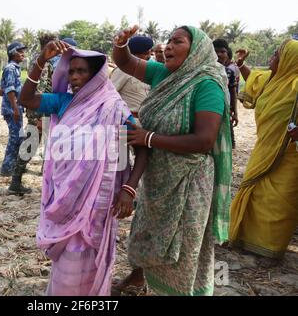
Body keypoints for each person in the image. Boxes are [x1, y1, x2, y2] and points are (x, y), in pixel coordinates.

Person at [112, 25, 232, 296]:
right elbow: (125, 62)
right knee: (150, 235)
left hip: (189, 181)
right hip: (158, 177)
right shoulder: (164, 74)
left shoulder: (207, 85)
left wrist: (149, 138)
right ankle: (142, 280)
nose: (167, 46)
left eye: (177, 42)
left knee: (183, 248)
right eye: (167, 41)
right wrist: (120, 44)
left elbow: (204, 140)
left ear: (196, 49)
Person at [19, 40, 146, 296]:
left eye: (82, 71)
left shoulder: (114, 108)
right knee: (67, 256)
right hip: (64, 194)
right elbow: (26, 99)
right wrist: (40, 61)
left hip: (98, 197)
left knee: (86, 250)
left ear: (97, 74)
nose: (74, 76)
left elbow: (142, 147)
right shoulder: (63, 102)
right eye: (71, 71)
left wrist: (129, 189)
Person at [230, 39, 298, 267]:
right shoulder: (272, 80)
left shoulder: (296, 87)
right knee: (257, 193)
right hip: (264, 150)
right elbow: (254, 80)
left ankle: (270, 250)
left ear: (289, 60)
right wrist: (241, 64)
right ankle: (246, 239)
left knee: (277, 201)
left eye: (277, 55)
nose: (272, 58)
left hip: (289, 156)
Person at [8, 33, 56, 195]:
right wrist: (42, 116)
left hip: (36, 109)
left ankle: (16, 180)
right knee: (31, 144)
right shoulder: (44, 61)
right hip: (39, 110)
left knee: (31, 143)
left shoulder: (39, 59)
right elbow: (40, 89)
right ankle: (15, 181)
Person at [0, 42, 27, 176]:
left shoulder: (15, 68)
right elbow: (10, 90)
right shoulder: (10, 68)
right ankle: (7, 168)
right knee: (15, 138)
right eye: (20, 51)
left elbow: (3, 89)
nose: (23, 54)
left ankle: (14, 165)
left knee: (19, 136)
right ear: (12, 53)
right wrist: (15, 108)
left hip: (16, 107)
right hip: (12, 109)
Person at [110, 36, 153, 119]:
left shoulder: (147, 70)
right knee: (122, 133)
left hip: (144, 124)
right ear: (136, 54)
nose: (149, 56)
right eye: (146, 53)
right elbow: (110, 95)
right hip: (125, 122)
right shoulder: (122, 70)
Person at [213, 39, 239, 148]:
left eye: (222, 52)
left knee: (227, 143)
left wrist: (235, 112)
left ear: (227, 54)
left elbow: (233, 92)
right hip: (209, 109)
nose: (219, 54)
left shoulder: (229, 72)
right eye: (216, 51)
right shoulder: (205, 70)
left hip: (225, 110)